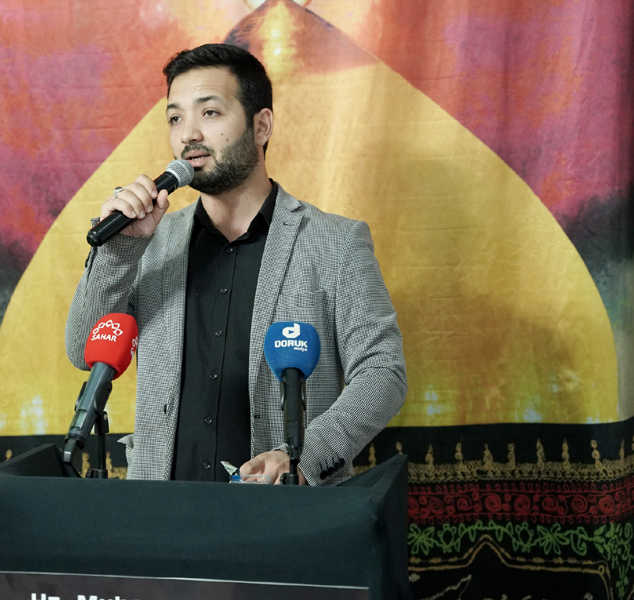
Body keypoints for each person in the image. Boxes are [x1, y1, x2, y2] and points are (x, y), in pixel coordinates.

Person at [66, 43, 406, 486]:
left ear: (261, 125)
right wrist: (119, 251)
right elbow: (83, 350)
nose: (189, 135)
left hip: (284, 510)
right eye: (175, 118)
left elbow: (383, 371)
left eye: (209, 113)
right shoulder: (148, 242)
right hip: (161, 508)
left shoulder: (335, 242)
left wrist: (304, 457)